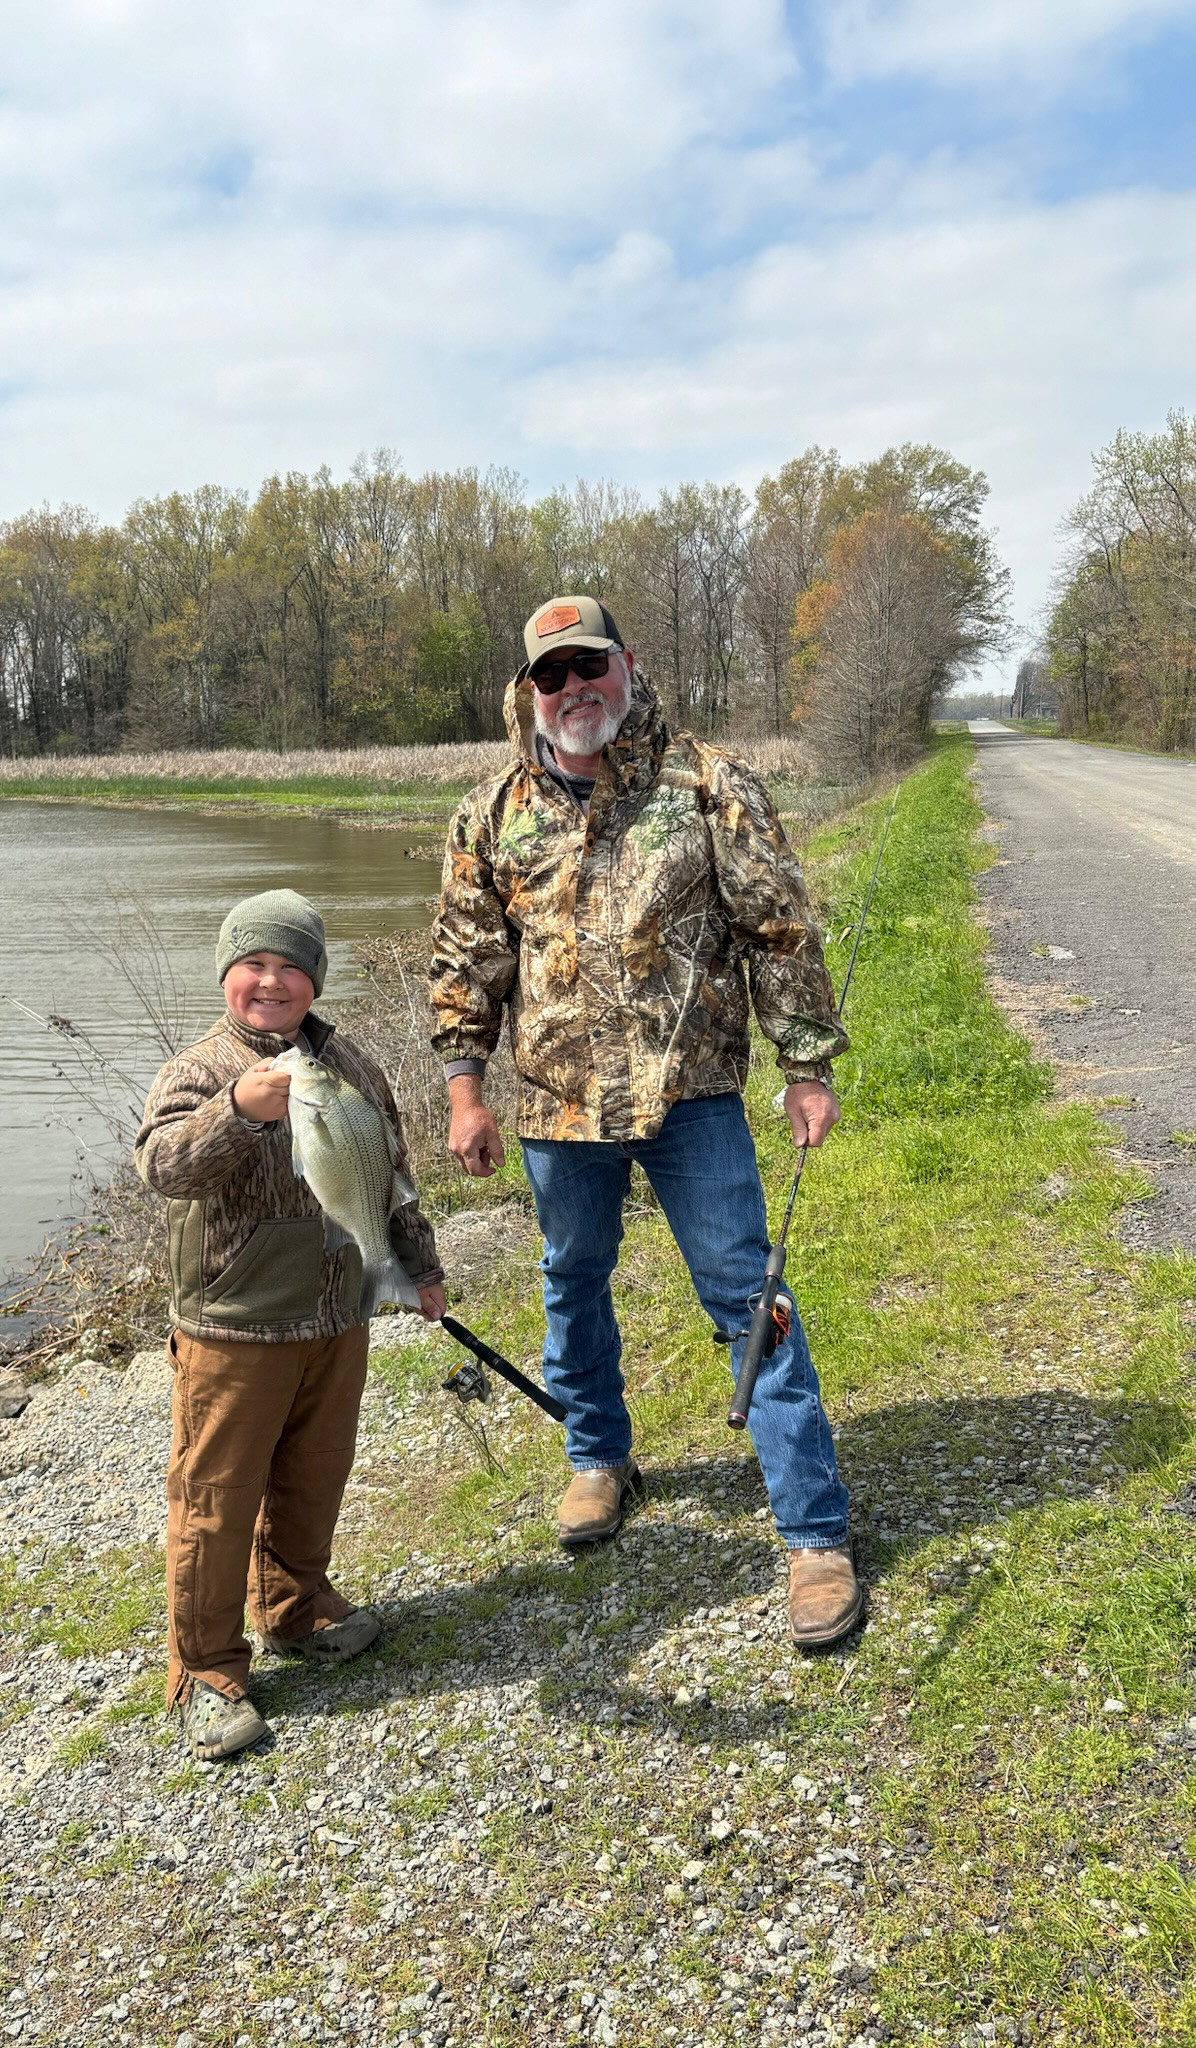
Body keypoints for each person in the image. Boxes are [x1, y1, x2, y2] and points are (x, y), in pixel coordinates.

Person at [428, 596, 861, 1648]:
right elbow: (467, 961)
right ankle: (596, 1456)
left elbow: (778, 926)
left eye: (591, 666)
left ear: (629, 664)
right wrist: (463, 1088)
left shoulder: (710, 782)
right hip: (554, 1105)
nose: (575, 688)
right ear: (529, 689)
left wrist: (805, 1066)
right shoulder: (491, 812)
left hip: (692, 1097)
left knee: (747, 1291)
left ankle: (815, 1534)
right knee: (570, 1279)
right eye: (552, 674)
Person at [137, 888, 445, 1757]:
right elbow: (162, 1166)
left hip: (338, 1316)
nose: (271, 982)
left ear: (314, 980)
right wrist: (238, 1109)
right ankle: (205, 1672)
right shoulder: (199, 1069)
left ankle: (295, 1608)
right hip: (233, 1327)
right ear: (228, 974)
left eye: (290, 967)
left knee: (315, 1475)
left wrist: (418, 1265)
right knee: (214, 1501)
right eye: (254, 965)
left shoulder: (350, 1064)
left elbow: (390, 1172)